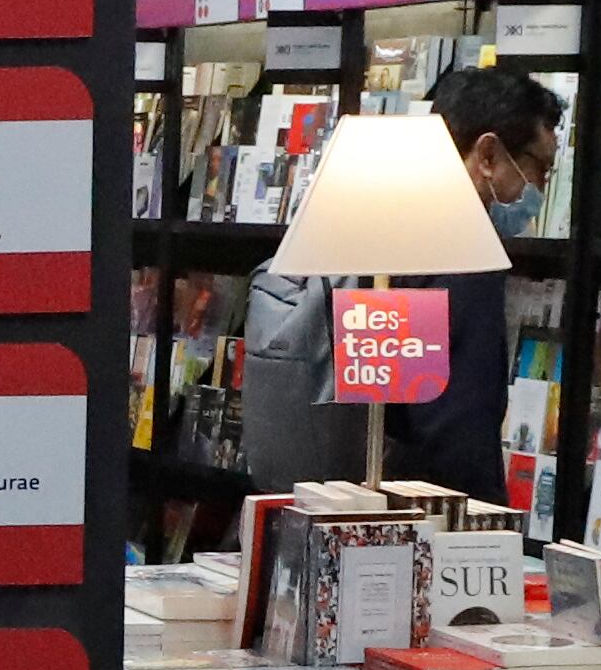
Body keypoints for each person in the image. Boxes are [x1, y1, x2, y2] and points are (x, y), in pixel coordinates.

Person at [237, 65, 567, 499]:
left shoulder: (373, 227)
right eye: (538, 167)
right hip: (421, 511)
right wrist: (487, 533)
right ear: (487, 155)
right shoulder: (463, 253)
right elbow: (460, 427)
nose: (539, 186)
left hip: (339, 494)